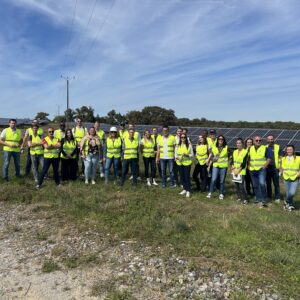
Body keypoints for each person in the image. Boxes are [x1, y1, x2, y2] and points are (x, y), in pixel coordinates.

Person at [248, 136, 270, 208]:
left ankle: (263, 200)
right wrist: (248, 167)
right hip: (252, 170)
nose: (258, 141)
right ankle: (258, 199)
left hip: (261, 169)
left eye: (259, 140)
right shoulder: (250, 148)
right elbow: (248, 158)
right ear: (253, 141)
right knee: (255, 185)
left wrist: (264, 166)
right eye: (256, 140)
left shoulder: (264, 148)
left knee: (262, 184)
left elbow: (269, 159)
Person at [207, 135, 230, 200]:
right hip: (215, 165)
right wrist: (211, 159)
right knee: (213, 179)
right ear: (217, 140)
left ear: (224, 140)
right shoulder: (214, 147)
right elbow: (211, 155)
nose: (220, 140)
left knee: (222, 181)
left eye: (222, 139)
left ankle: (221, 193)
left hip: (223, 166)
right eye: (219, 139)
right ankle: (210, 192)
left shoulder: (226, 147)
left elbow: (231, 155)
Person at [280, 144, 300, 211]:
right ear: (286, 151)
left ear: (293, 150)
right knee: (288, 193)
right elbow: (281, 167)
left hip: (295, 178)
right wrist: (282, 172)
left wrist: (299, 174)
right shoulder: (283, 158)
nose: (289, 151)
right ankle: (289, 205)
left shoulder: (298, 158)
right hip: (286, 178)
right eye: (288, 149)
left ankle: (286, 201)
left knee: (292, 193)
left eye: (290, 149)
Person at [175, 133, 194, 197]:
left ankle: (188, 190)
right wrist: (177, 157)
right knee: (182, 177)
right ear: (180, 138)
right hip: (179, 163)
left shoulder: (189, 145)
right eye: (182, 137)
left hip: (187, 163)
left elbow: (192, 155)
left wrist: (187, 155)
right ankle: (184, 189)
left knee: (187, 177)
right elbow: (175, 154)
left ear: (186, 138)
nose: (183, 138)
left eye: (184, 137)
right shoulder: (177, 145)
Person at [266, 135, 283, 203]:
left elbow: (281, 158)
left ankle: (277, 197)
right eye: (269, 139)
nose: (270, 140)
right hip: (267, 168)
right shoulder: (264, 147)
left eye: (271, 139)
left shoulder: (278, 147)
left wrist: (281, 168)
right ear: (267, 140)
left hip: (275, 168)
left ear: (274, 139)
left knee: (276, 184)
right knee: (268, 183)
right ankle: (269, 196)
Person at [231, 138, 248, 204]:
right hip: (234, 170)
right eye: (237, 143)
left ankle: (245, 199)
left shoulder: (245, 151)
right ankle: (239, 197)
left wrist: (239, 170)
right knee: (236, 185)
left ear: (242, 144)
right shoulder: (234, 151)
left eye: (240, 143)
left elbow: (244, 162)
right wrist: (232, 165)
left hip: (241, 171)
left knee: (241, 185)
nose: (238, 144)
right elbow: (232, 160)